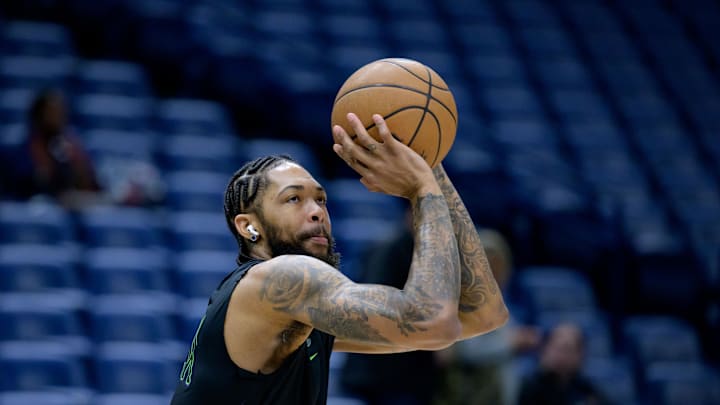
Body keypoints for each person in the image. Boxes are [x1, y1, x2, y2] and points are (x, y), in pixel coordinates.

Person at [170, 113, 509, 404]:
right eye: (293, 199)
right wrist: (422, 188)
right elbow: (432, 320)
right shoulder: (277, 279)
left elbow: (482, 315)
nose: (317, 211)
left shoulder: (297, 316)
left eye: (321, 200)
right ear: (249, 227)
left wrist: (430, 166)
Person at [340, 208, 441, 405]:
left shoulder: (420, 251)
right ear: (410, 215)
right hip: (385, 372)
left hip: (398, 369)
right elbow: (377, 306)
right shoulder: (393, 251)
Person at [434, 229, 540, 405]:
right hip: (466, 394)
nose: (492, 272)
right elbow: (461, 350)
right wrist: (511, 343)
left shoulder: (502, 301)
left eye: (498, 265)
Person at [10, 88, 102, 207]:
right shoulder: (24, 150)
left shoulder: (70, 145)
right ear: (38, 115)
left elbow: (90, 183)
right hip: (34, 205)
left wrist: (78, 166)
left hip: (69, 204)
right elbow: (22, 185)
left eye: (59, 112)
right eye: (51, 113)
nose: (57, 118)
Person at [517, 323, 607, 405]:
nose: (559, 355)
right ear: (544, 350)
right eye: (555, 348)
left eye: (567, 349)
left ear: (580, 355)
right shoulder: (530, 388)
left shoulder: (586, 390)